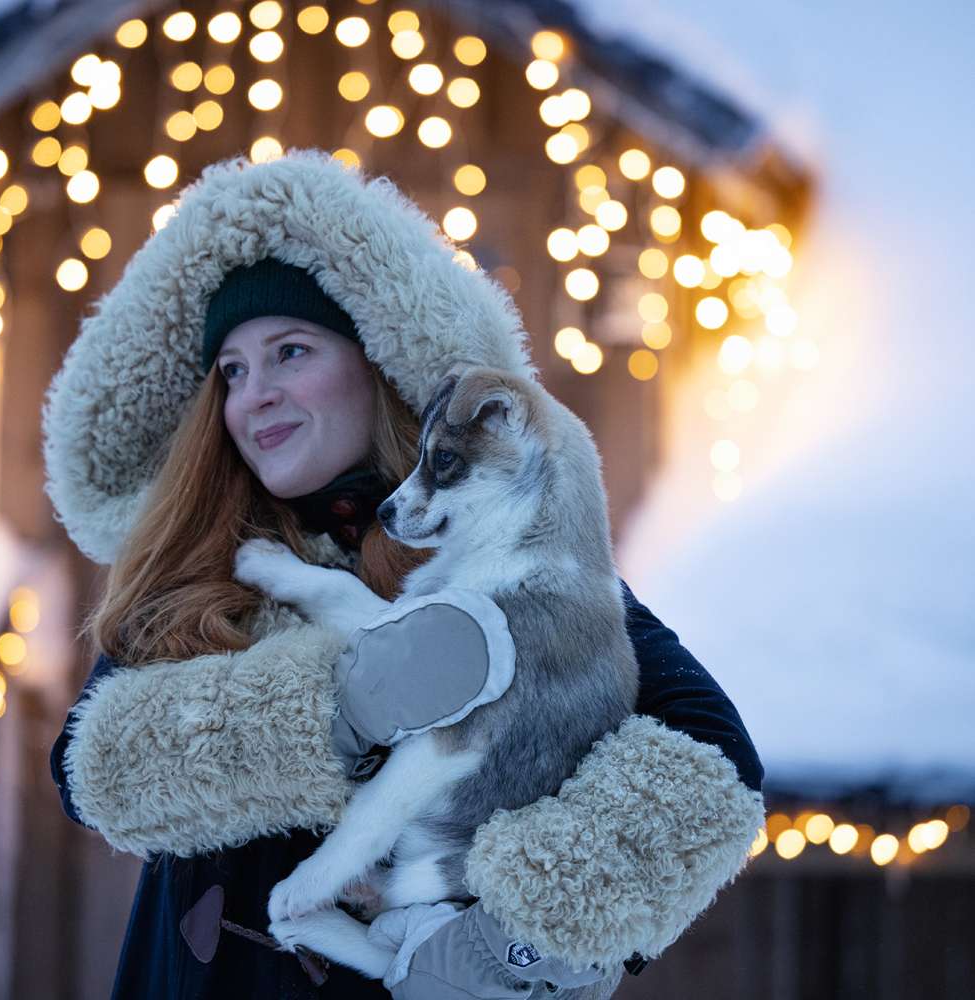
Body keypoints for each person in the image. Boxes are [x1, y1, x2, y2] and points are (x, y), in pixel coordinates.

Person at [43, 150, 765, 1000]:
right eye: (232, 371)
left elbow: (709, 752)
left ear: (378, 361)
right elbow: (91, 771)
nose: (254, 393)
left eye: (290, 351)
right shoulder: (200, 565)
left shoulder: (497, 553)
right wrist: (336, 706)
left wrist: (518, 937)